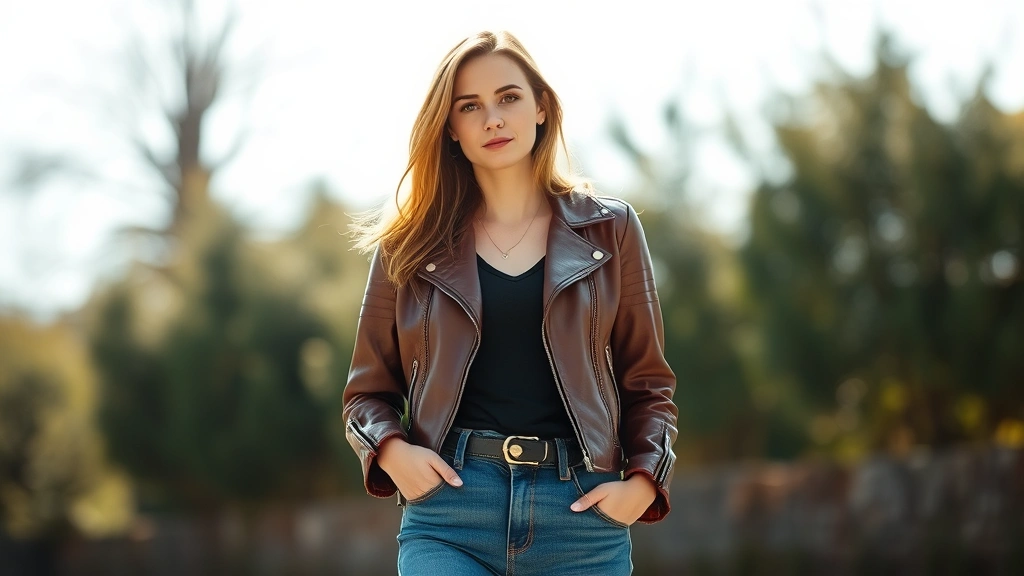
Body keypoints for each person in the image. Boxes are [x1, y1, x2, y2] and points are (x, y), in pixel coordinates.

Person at [343, 30, 677, 576]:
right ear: (450, 128)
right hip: (449, 516)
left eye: (509, 97)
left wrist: (644, 483)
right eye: (469, 106)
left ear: (542, 107)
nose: (492, 119)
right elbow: (365, 394)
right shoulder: (408, 245)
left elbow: (649, 384)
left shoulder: (610, 229)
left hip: (581, 517)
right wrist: (391, 452)